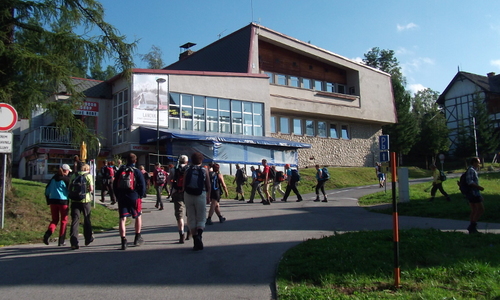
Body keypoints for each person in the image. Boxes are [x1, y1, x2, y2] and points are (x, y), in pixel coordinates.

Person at [113, 153, 146, 250]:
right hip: (134, 196)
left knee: (122, 219)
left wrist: (117, 195)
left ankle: (123, 240)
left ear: (126, 160)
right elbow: (142, 186)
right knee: (138, 216)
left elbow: (115, 184)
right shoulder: (137, 171)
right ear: (135, 161)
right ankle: (137, 236)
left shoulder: (120, 170)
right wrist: (140, 195)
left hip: (122, 197)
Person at [183, 152, 211, 251]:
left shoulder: (187, 169)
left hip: (188, 195)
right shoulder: (204, 170)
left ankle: (195, 239)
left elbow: (184, 184)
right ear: (201, 160)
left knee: (191, 217)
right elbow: (208, 185)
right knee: (201, 217)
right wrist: (208, 196)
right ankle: (199, 235)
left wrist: (184, 194)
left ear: (191, 160)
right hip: (200, 194)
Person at [43, 164, 72, 246]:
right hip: (63, 201)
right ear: (66, 171)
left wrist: (48, 200)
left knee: (54, 220)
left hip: (53, 201)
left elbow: (47, 190)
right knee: (64, 221)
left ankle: (47, 234)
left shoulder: (53, 178)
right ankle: (61, 240)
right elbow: (70, 191)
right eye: (68, 171)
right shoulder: (66, 179)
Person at [68, 162, 94, 250]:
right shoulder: (88, 176)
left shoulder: (73, 175)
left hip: (75, 200)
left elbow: (69, 188)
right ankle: (88, 238)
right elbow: (91, 189)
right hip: (85, 200)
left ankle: (74, 243)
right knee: (87, 219)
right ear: (86, 168)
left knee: (75, 221)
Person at [168, 155, 190, 243]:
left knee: (179, 215)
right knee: (189, 214)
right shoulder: (189, 169)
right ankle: (189, 232)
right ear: (187, 162)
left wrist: (172, 188)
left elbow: (169, 180)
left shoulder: (174, 169)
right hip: (187, 193)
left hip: (177, 192)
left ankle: (181, 234)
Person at [464, 157, 485, 234]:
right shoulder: (471, 170)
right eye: (478, 162)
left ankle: (472, 228)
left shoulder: (472, 170)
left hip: (472, 193)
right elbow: (470, 182)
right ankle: (472, 226)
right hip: (473, 193)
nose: (479, 164)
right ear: (474, 163)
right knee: (480, 209)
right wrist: (479, 188)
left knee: (474, 210)